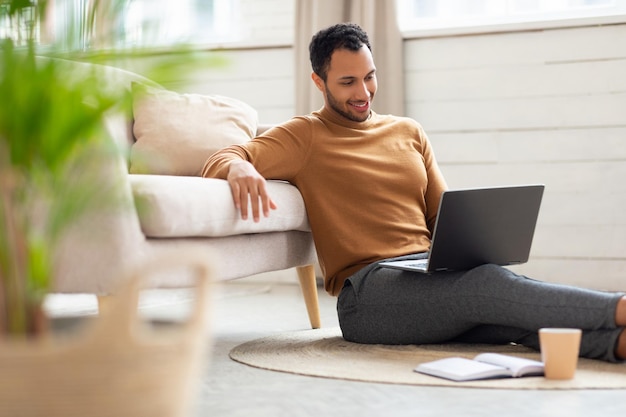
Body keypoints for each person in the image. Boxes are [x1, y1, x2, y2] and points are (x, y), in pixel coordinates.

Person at [202, 22, 626, 362]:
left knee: (508, 315)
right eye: (348, 82)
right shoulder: (304, 136)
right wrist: (239, 166)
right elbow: (222, 156)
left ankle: (615, 346)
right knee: (490, 287)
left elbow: (441, 215)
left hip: (428, 274)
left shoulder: (408, 131)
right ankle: (618, 307)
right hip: (369, 296)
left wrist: (478, 241)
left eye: (369, 78)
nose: (363, 93)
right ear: (319, 81)